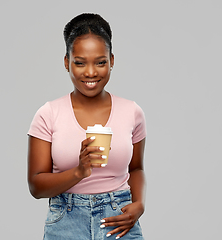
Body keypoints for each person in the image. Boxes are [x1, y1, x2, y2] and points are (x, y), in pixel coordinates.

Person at [27, 13, 146, 240]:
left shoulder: (132, 112)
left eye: (100, 62)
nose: (90, 72)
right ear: (66, 62)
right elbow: (36, 186)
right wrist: (79, 172)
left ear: (111, 60)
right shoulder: (48, 114)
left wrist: (138, 205)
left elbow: (136, 169)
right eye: (80, 63)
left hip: (119, 220)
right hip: (66, 222)